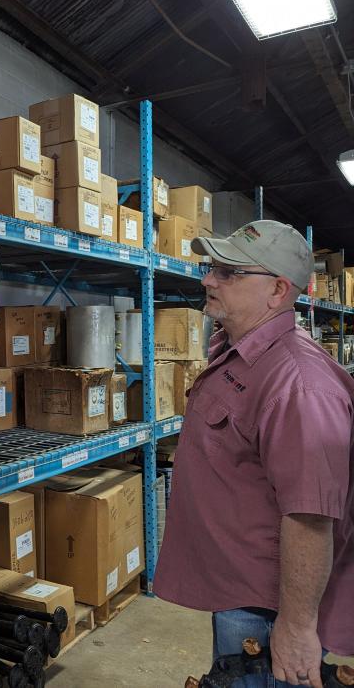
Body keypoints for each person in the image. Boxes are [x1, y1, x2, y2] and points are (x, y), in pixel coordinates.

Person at [155, 220, 354, 688]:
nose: (208, 279)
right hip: (239, 590)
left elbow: (310, 518)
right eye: (211, 268)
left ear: (278, 290)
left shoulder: (300, 386)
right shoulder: (241, 354)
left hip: (268, 609)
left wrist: (298, 626)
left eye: (228, 272)